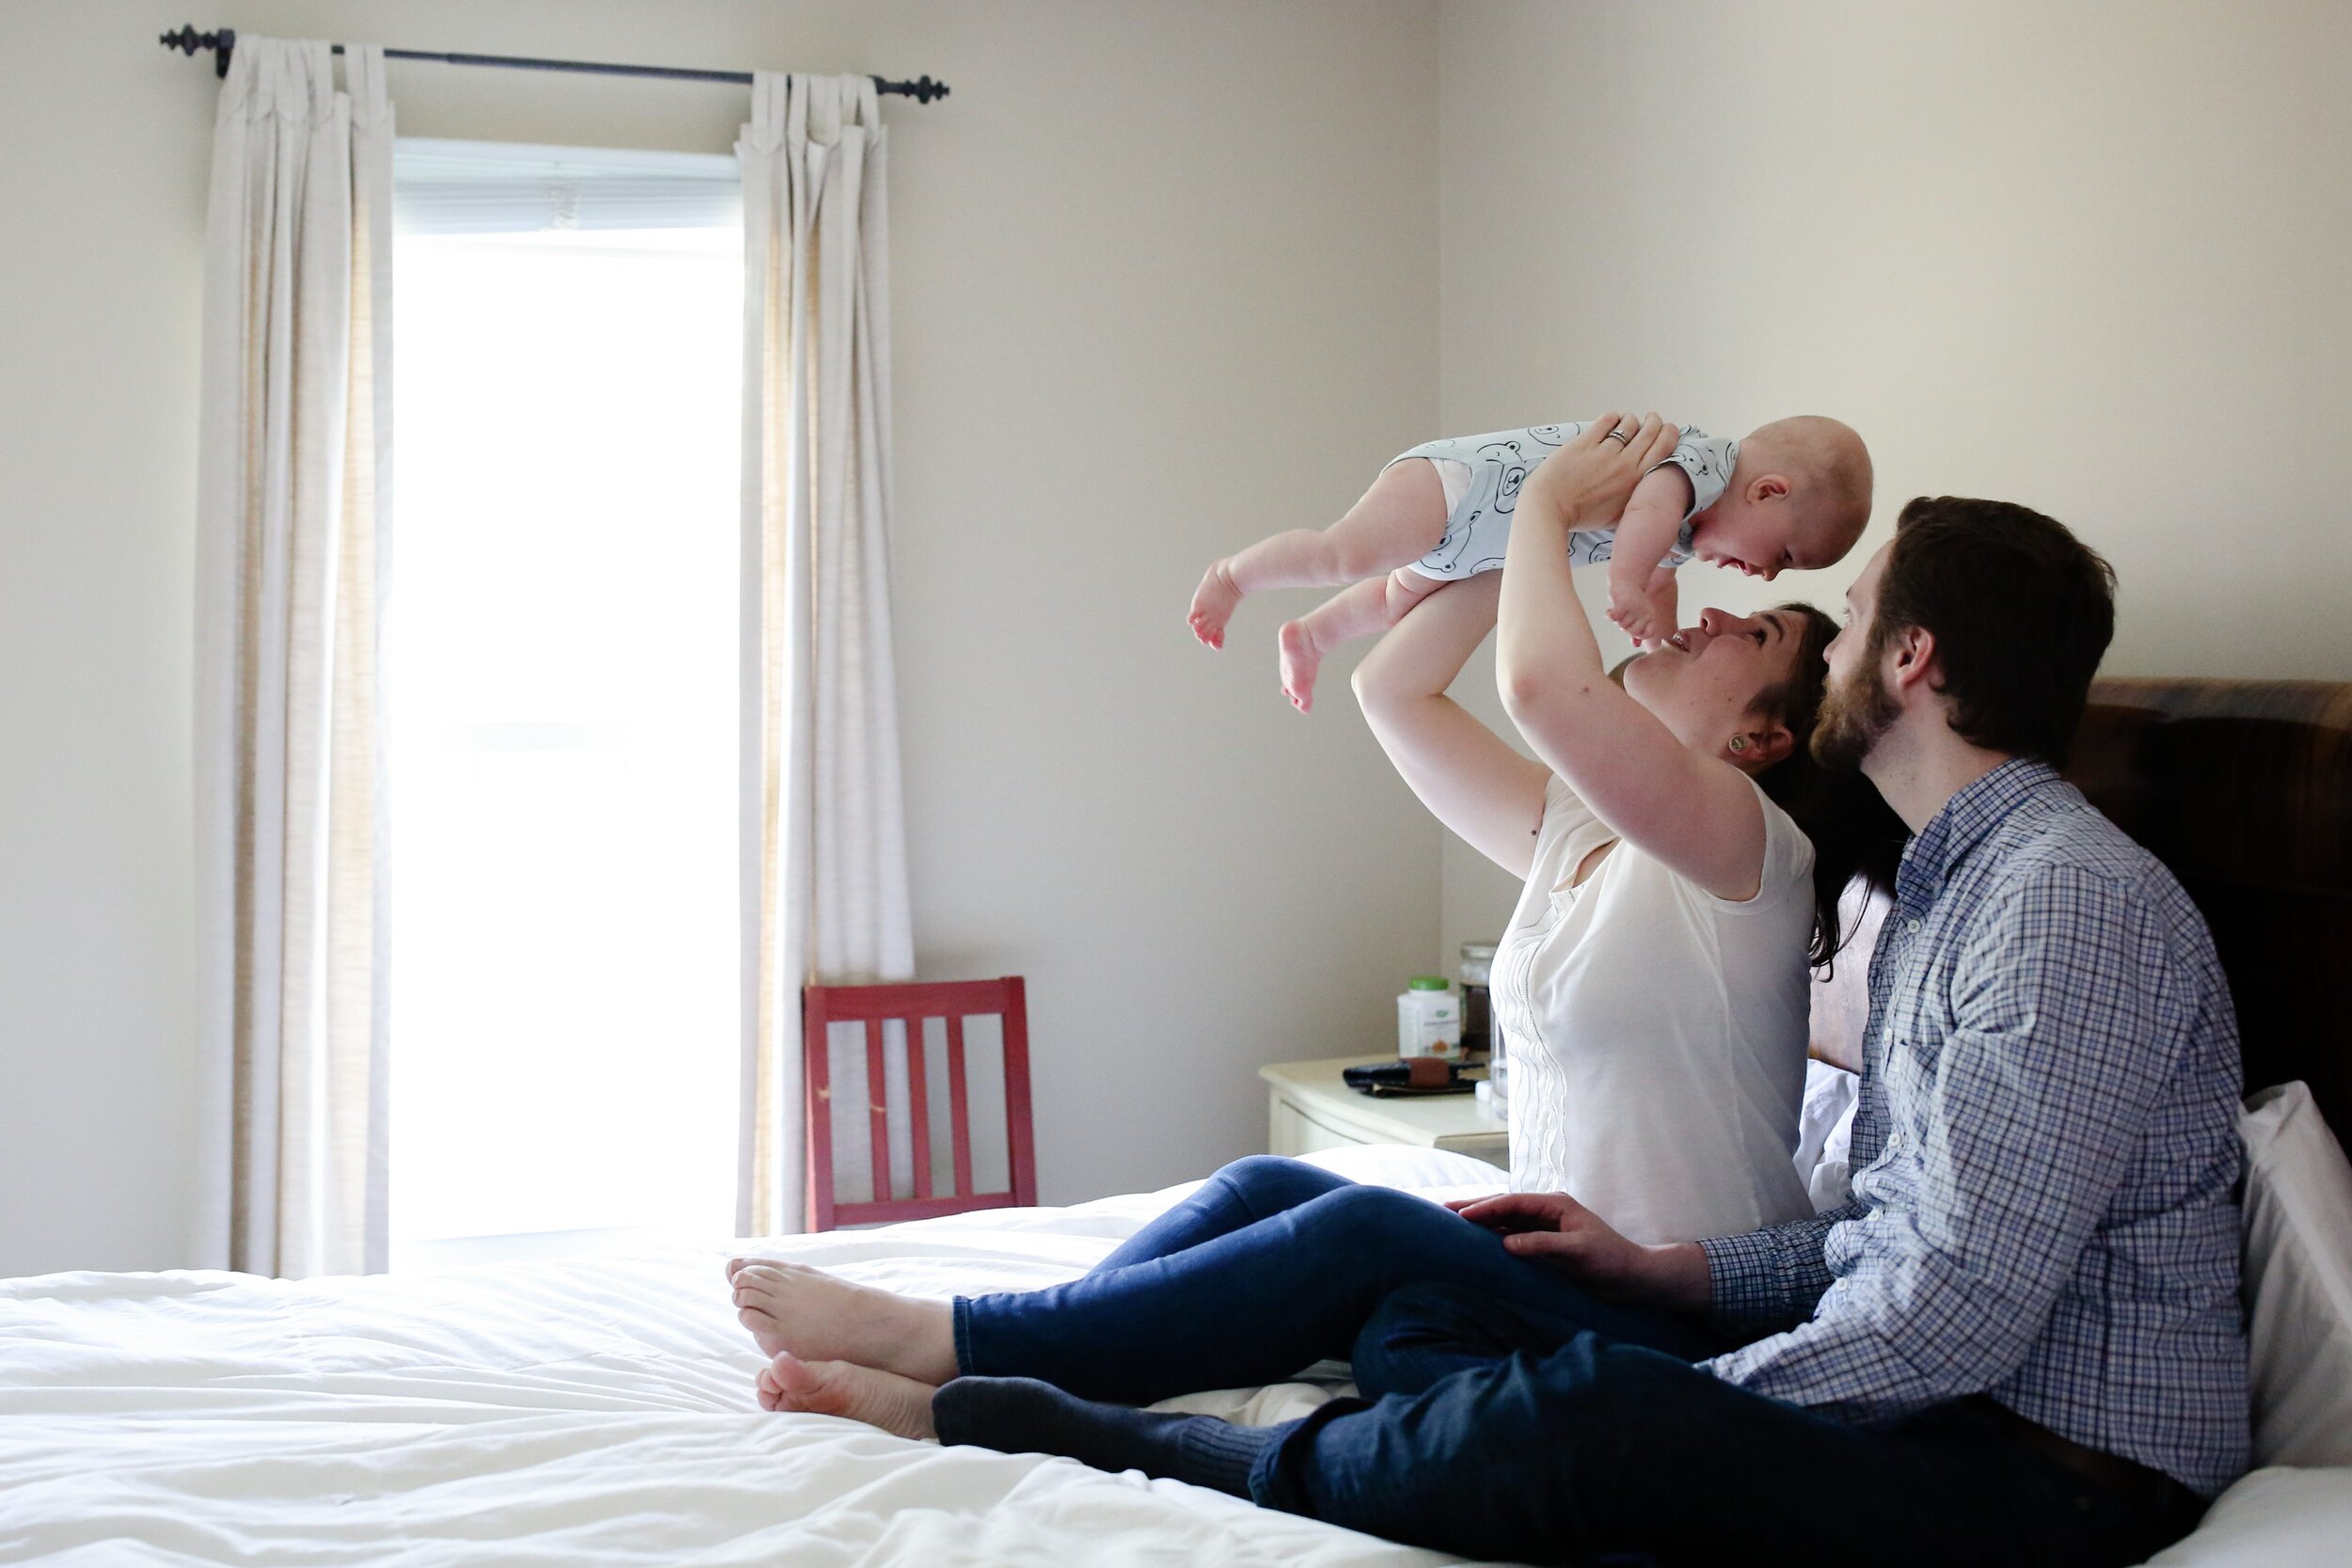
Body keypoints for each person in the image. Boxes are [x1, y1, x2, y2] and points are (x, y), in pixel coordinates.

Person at [905, 451, 2248, 1568]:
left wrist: (1696, 1399)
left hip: (2059, 1477)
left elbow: (1951, 1309)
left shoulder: (2067, 901)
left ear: (1911, 656)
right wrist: (1673, 1274)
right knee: (1424, 1290)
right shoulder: (1952, 897)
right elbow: (1886, 1237)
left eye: (1846, 612)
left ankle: (1148, 1437)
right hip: (1949, 1408)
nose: (1816, 638)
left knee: (1595, 1409)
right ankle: (1149, 1370)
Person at [721, 419, 1896, 1425]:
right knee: (1262, 1192)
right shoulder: (1581, 831)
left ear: (1760, 739)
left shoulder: (1748, 846)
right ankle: (1035, 1342)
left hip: (1669, 1318)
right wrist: (1512, 521)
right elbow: (1392, 687)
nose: (1702, 621)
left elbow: (1541, 685)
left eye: (1752, 636)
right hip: (1548, 1275)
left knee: (1370, 1242)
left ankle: (955, 1360)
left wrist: (1546, 505)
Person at [1185, 413, 1872, 711]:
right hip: (1460, 488)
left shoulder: (1689, 535)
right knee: (1345, 553)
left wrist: (1654, 631)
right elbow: (1645, 517)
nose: (1766, 577)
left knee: (1395, 599)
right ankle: (1234, 575)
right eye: (1782, 556)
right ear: (1768, 490)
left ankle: (1312, 635)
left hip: (1481, 546)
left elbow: (1660, 567)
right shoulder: (1705, 463)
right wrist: (1625, 582)